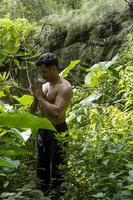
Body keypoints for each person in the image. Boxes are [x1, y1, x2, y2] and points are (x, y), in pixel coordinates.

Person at [30, 53, 72, 194]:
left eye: (45, 72)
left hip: (58, 130)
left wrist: (41, 98)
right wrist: (36, 98)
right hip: (43, 129)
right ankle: (42, 193)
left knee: (57, 166)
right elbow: (32, 111)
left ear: (54, 68)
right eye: (40, 72)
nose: (42, 75)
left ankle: (57, 195)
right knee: (42, 164)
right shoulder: (46, 85)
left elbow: (56, 112)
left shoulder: (64, 87)